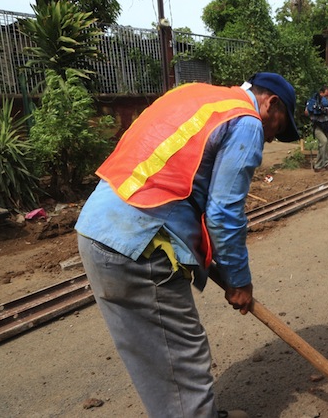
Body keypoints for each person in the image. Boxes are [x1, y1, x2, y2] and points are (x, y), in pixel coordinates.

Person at [75, 73, 300, 418]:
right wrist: (239, 280)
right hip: (144, 243)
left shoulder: (196, 94)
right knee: (180, 358)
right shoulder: (246, 120)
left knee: (155, 359)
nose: (270, 138)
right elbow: (224, 214)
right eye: (278, 128)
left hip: (98, 229)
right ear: (272, 103)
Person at [305, 85, 328, 172]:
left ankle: (325, 163)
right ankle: (319, 165)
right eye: (326, 95)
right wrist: (314, 109)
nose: (327, 97)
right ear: (321, 93)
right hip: (317, 125)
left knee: (324, 145)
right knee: (324, 142)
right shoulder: (312, 101)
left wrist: (324, 110)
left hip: (326, 124)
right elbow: (306, 113)